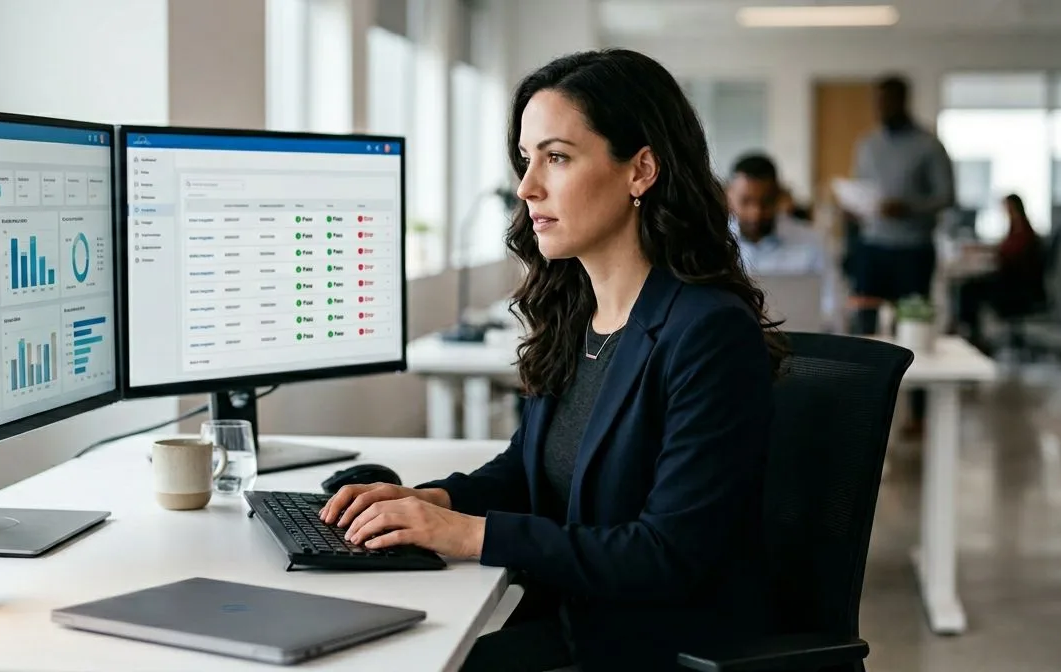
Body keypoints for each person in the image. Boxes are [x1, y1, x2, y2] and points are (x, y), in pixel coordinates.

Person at [319, 48, 785, 671]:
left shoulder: (708, 333)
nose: (526, 186)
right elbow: (529, 470)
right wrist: (431, 501)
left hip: (648, 648)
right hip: (569, 620)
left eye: (557, 157)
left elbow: (666, 555)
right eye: (526, 158)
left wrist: (470, 536)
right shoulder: (580, 314)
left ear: (640, 169)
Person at [848, 74, 956, 333]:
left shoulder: (929, 145)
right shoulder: (867, 145)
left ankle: (911, 372)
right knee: (866, 321)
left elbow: (947, 196)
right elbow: (862, 188)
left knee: (912, 325)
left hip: (913, 250)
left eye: (886, 102)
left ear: (903, 101)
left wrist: (908, 208)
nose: (881, 108)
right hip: (872, 246)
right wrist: (854, 205)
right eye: (877, 102)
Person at [727, 152, 837, 326]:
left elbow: (833, 306)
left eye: (765, 202)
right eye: (746, 201)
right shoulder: (716, 243)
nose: (756, 213)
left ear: (778, 197)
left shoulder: (813, 242)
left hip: (801, 343)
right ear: (729, 197)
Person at [954, 193, 1046, 353]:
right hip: (1013, 281)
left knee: (969, 288)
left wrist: (988, 254)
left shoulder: (1022, 230)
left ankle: (972, 335)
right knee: (971, 285)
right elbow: (1004, 250)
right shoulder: (1016, 228)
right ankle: (970, 333)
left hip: (1017, 288)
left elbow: (1009, 255)